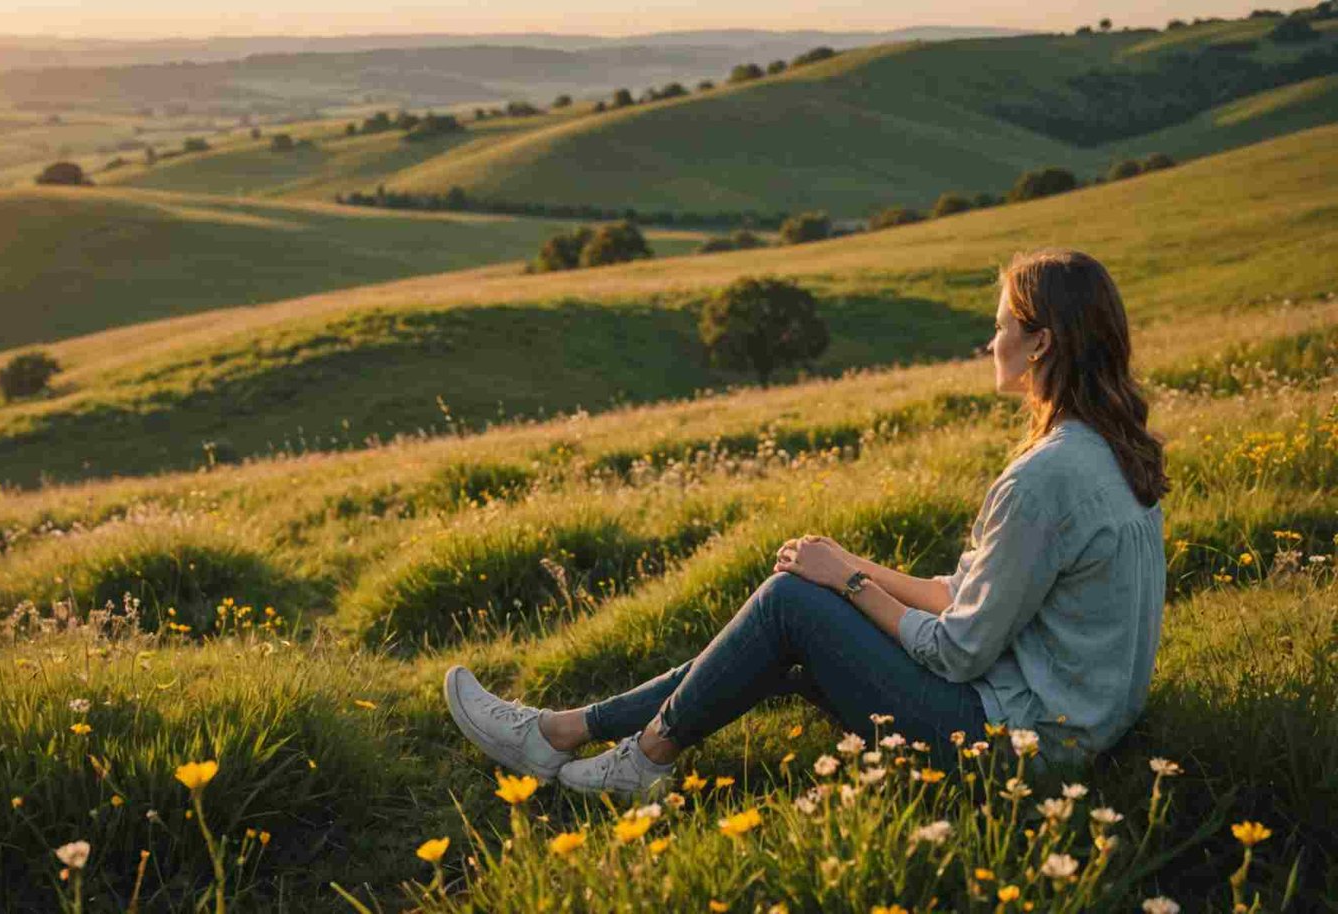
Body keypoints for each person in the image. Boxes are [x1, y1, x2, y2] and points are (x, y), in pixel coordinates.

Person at [444, 249, 1169, 795]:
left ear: (1040, 342)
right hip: (1076, 728)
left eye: (1002, 326)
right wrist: (851, 565)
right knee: (790, 630)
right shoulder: (1110, 449)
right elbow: (974, 594)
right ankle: (568, 732)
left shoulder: (1043, 479)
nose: (991, 342)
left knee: (794, 603)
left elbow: (959, 652)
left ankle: (636, 758)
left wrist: (848, 582)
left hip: (1020, 753)